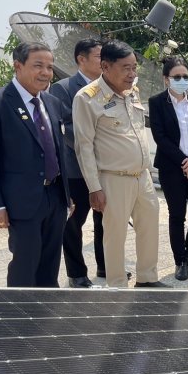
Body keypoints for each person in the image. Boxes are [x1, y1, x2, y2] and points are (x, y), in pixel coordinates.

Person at [0, 42, 70, 287]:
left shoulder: (52, 103)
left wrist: (66, 196)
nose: (46, 72)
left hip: (54, 196)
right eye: (38, 65)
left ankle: (46, 313)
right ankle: (18, 314)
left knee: (50, 261)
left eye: (49, 67)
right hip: (21, 200)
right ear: (18, 66)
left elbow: (58, 152)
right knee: (26, 263)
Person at [73, 40, 167, 289]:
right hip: (113, 178)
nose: (132, 74)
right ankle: (116, 286)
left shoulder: (132, 91)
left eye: (134, 67)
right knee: (115, 235)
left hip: (143, 176)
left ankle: (147, 278)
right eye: (126, 68)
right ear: (105, 66)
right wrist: (94, 187)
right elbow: (84, 146)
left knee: (149, 227)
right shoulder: (87, 98)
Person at [49, 39, 108, 288]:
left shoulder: (109, 87)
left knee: (105, 219)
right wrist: (96, 148)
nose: (103, 62)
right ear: (81, 59)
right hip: (76, 169)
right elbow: (68, 129)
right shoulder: (62, 89)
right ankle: (76, 273)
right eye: (98, 57)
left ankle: (106, 266)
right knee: (74, 222)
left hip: (106, 167)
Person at [149, 56, 188, 282]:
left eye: (185, 76)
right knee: (177, 215)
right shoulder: (157, 102)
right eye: (177, 77)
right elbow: (160, 137)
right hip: (172, 167)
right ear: (166, 79)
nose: (182, 80)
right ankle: (181, 260)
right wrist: (183, 162)